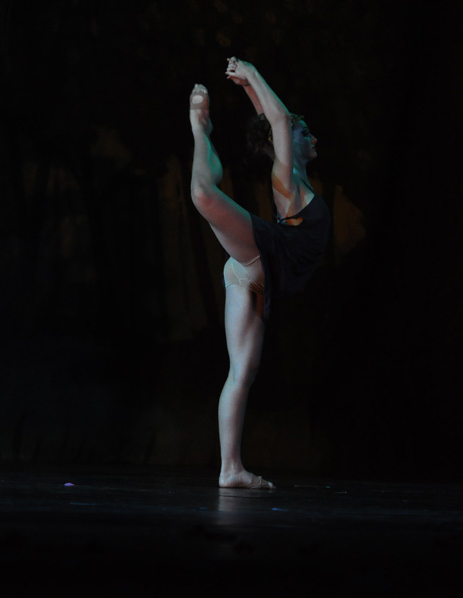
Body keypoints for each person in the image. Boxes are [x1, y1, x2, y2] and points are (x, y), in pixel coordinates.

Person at [189, 58, 330, 489]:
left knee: (242, 372)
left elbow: (274, 121)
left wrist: (249, 87)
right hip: (262, 255)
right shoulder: (285, 176)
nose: (312, 137)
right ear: (285, 141)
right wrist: (251, 72)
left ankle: (230, 469)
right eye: (305, 132)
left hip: (253, 277)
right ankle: (200, 132)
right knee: (202, 194)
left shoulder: (296, 177)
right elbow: (279, 121)